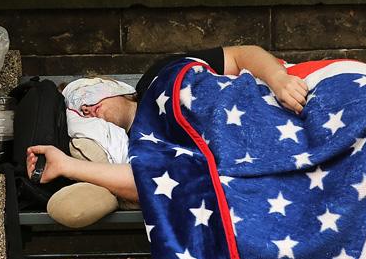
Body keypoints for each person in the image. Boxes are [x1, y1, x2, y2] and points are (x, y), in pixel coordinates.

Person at [26, 45, 307, 202]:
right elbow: (149, 181)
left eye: (85, 93)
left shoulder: (159, 74)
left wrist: (277, 79)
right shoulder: (139, 144)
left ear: (114, 86)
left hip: (279, 109)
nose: (86, 107)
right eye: (78, 111)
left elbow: (241, 54)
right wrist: (66, 165)